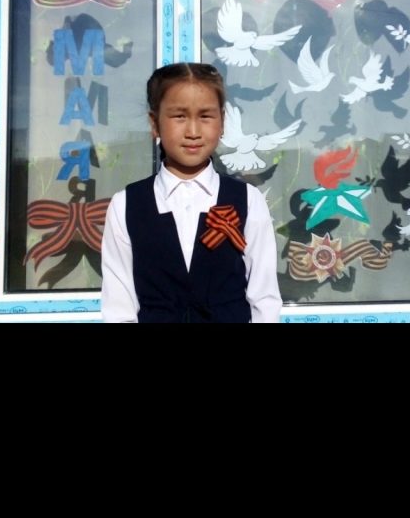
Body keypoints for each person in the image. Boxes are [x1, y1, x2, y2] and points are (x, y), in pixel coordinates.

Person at [101, 63, 283, 323]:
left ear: (222, 122)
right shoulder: (126, 206)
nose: (193, 132)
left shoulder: (248, 200)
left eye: (205, 116)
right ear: (154, 123)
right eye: (179, 116)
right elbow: (119, 309)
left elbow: (264, 300)